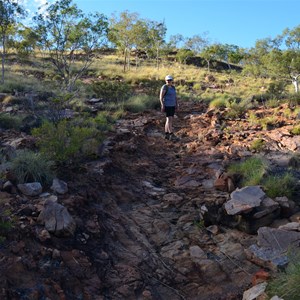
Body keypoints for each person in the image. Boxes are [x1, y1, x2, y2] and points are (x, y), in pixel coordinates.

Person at [159, 75, 178, 140]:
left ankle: (166, 134)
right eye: (168, 80)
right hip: (167, 105)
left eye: (170, 80)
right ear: (165, 80)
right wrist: (162, 105)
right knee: (170, 119)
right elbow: (161, 97)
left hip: (172, 105)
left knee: (169, 119)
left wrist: (176, 104)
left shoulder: (173, 87)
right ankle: (171, 134)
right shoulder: (164, 87)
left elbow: (175, 97)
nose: (169, 81)